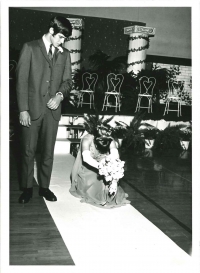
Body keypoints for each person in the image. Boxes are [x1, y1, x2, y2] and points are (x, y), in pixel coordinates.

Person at [16, 16, 73, 203]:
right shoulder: (30, 48)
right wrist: (23, 109)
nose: (62, 42)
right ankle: (26, 189)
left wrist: (59, 95)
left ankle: (44, 187)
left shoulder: (65, 54)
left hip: (52, 112)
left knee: (48, 152)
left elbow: (67, 82)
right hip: (31, 110)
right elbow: (21, 81)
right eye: (60, 38)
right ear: (51, 31)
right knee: (28, 151)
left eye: (65, 39)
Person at [69, 115, 130, 208]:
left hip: (105, 162)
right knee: (94, 183)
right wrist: (103, 169)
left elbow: (115, 156)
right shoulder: (86, 139)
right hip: (89, 166)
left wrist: (114, 178)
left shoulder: (109, 138)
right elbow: (86, 159)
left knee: (109, 184)